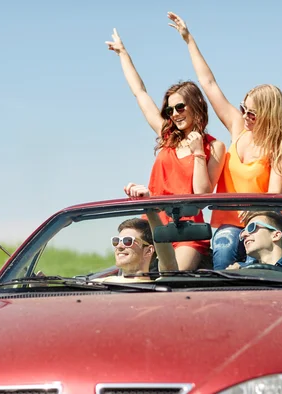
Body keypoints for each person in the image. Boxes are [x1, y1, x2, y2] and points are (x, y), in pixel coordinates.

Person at [167, 12, 282, 270]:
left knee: (233, 245)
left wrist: (254, 215)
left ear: (268, 115)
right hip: (229, 224)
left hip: (264, 224)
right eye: (243, 108)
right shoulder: (238, 129)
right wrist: (188, 40)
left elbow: (272, 198)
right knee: (224, 243)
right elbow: (209, 84)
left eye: (252, 113)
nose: (244, 116)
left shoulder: (276, 148)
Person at [106, 28, 226, 271]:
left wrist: (198, 154)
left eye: (180, 107)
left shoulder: (214, 146)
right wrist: (123, 54)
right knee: (128, 277)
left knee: (172, 277)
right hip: (151, 224)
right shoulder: (167, 136)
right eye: (170, 110)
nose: (175, 114)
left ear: (195, 105)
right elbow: (140, 93)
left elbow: (202, 196)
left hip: (186, 231)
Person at [96, 213, 178, 283]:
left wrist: (150, 209)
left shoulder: (159, 287)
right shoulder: (98, 285)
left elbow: (169, 263)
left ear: (148, 251)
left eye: (127, 241)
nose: (119, 246)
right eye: (116, 241)